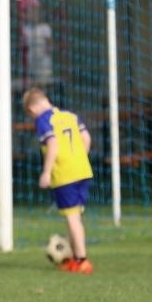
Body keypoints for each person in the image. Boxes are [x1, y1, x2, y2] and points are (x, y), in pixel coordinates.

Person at [23, 87, 95, 273]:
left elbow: (53, 143)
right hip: (83, 170)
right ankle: (74, 259)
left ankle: (82, 260)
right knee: (75, 216)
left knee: (71, 217)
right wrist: (79, 158)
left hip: (64, 174)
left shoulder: (43, 120)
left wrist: (46, 172)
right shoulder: (69, 116)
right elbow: (86, 137)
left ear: (32, 108)